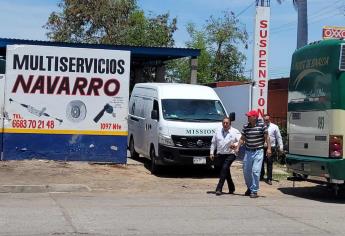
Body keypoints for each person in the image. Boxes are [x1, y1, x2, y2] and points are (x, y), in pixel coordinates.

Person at [235, 110, 271, 198]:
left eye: (249, 116)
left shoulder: (262, 125)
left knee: (255, 171)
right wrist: (238, 147)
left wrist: (269, 149)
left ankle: (254, 191)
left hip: (258, 151)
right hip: (248, 151)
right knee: (246, 171)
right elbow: (242, 138)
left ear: (254, 117)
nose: (247, 117)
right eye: (247, 116)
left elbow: (267, 137)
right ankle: (250, 188)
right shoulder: (245, 126)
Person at [210, 116, 241, 196]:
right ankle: (231, 188)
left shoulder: (235, 131)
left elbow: (241, 140)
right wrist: (211, 153)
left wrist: (235, 144)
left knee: (224, 169)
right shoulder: (217, 131)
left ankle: (219, 188)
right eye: (224, 123)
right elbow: (213, 143)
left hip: (231, 154)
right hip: (220, 154)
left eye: (227, 123)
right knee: (226, 171)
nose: (225, 124)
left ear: (230, 124)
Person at [260, 114, 284, 185]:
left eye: (267, 120)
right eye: (264, 120)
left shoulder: (274, 127)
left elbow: (278, 137)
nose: (266, 121)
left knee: (269, 163)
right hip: (261, 147)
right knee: (260, 162)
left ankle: (269, 178)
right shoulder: (261, 126)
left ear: (269, 119)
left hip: (271, 147)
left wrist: (281, 146)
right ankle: (261, 176)